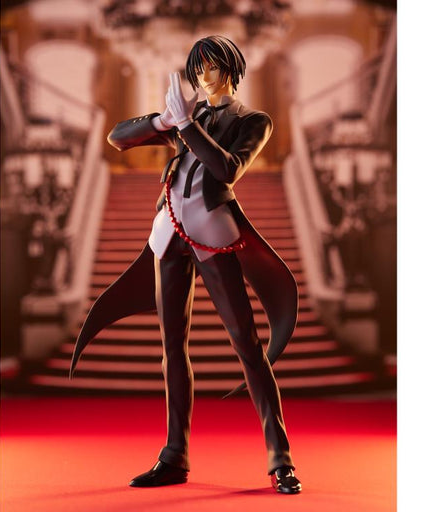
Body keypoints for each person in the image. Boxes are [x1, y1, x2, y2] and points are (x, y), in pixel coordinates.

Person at [70, 35, 302, 494]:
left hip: (213, 232)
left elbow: (227, 169)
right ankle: (174, 455)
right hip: (168, 232)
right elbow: (118, 138)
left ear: (231, 68)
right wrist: (164, 120)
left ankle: (281, 459)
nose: (203, 76)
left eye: (212, 66)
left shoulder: (253, 120)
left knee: (247, 344)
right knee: (172, 346)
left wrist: (186, 126)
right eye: (198, 68)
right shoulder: (188, 115)